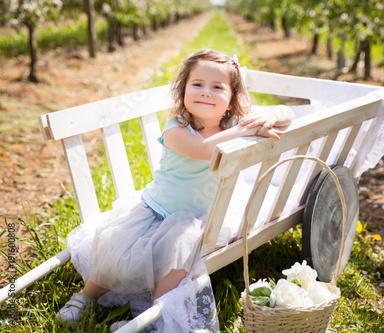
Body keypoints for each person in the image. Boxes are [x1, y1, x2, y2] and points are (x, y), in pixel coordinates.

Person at [56, 49, 294, 331]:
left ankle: (152, 318)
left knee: (175, 263)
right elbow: (206, 150)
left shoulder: (231, 123)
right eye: (197, 84)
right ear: (183, 91)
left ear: (231, 100)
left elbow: (287, 114)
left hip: (193, 219)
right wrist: (246, 129)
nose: (205, 92)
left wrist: (269, 116)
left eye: (217, 87)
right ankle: (86, 296)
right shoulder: (176, 128)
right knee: (115, 254)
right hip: (155, 209)